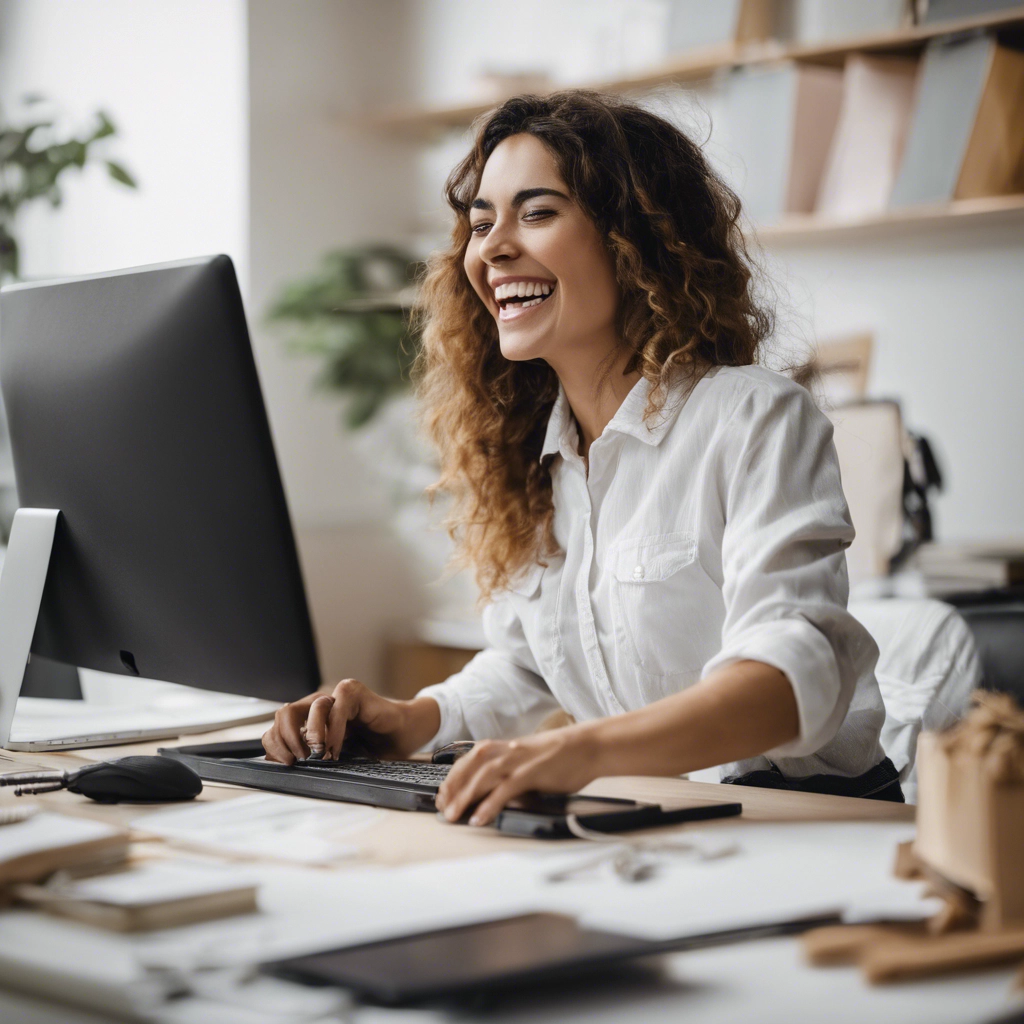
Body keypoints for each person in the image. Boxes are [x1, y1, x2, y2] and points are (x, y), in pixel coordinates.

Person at [262, 90, 901, 823]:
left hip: (807, 823)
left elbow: (792, 679)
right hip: (654, 821)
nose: (494, 247)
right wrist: (415, 718)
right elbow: (527, 663)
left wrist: (587, 750)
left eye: (536, 212)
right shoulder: (536, 458)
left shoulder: (750, 416)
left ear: (636, 239)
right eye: (480, 223)